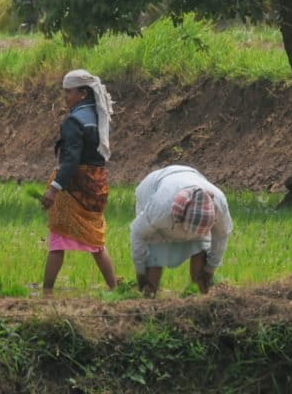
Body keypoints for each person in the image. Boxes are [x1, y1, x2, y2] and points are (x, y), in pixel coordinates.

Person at [40, 69, 117, 295]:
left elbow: (71, 160)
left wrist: (54, 189)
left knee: (57, 240)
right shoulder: (100, 117)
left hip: (73, 187)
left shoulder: (74, 121)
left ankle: (46, 293)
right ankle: (114, 290)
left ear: (83, 93)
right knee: (97, 243)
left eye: (68, 92)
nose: (65, 96)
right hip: (97, 186)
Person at [130, 165, 233, 296]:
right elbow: (138, 235)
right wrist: (141, 272)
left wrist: (210, 269)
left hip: (190, 178)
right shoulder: (160, 209)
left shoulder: (219, 203)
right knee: (154, 254)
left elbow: (221, 235)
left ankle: (199, 296)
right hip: (153, 188)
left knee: (201, 249)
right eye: (192, 231)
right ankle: (149, 295)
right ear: (180, 218)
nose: (193, 235)